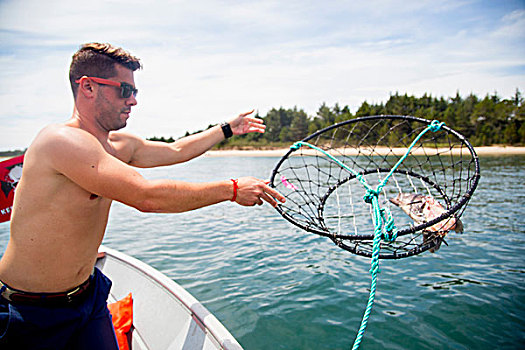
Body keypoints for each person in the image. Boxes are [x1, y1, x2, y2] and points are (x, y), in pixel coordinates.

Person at [0, 42, 285, 349]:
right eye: (124, 90)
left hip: (88, 297)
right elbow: (145, 196)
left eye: (135, 92)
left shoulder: (118, 144)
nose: (133, 101)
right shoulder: (61, 141)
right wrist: (230, 190)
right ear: (88, 87)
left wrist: (227, 129)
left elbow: (177, 150)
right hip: (29, 312)